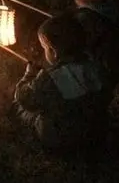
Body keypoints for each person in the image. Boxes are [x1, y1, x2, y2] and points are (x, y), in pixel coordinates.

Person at [9, 13, 110, 153]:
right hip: (94, 133)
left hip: (61, 138)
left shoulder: (51, 78)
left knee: (22, 109)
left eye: (44, 48)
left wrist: (29, 75)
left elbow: (25, 98)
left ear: (54, 52)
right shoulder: (96, 67)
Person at [70, 0, 119, 92]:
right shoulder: (110, 9)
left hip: (101, 70)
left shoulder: (86, 20)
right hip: (117, 58)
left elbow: (83, 48)